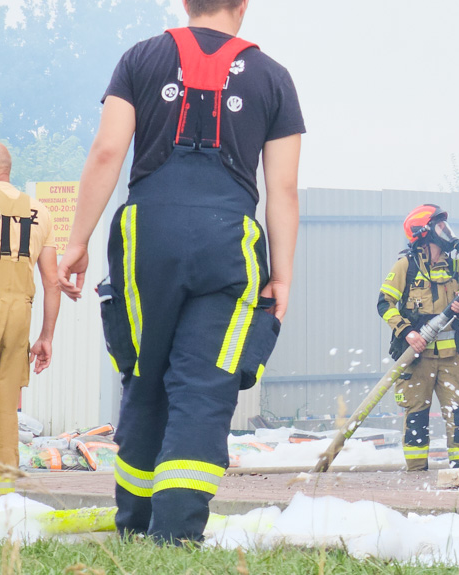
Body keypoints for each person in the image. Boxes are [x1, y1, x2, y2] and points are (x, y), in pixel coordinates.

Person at [57, 0, 304, 543]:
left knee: (146, 374)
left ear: (186, 3)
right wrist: (281, 273)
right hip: (228, 241)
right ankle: (177, 535)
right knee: (205, 385)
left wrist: (77, 243)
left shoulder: (140, 58)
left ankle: (135, 525)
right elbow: (282, 189)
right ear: (243, 5)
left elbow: (107, 152)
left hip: (147, 235)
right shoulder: (273, 77)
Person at [377, 204, 459, 471]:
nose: (446, 231)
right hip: (417, 357)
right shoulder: (405, 266)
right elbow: (384, 304)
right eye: (440, 226)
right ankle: (416, 474)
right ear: (425, 232)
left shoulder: (454, 267)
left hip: (450, 358)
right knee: (417, 415)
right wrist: (408, 332)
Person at [0, 142, 60, 495]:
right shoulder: (41, 212)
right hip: (21, 312)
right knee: (4, 406)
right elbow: (52, 280)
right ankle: (3, 492)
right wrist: (46, 336)